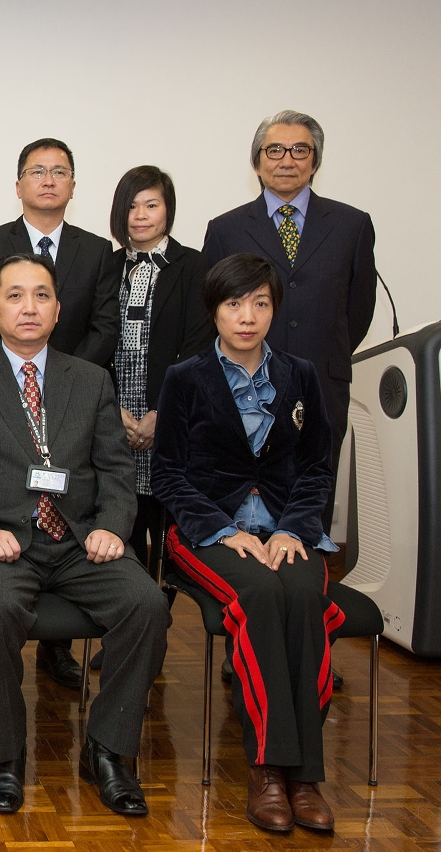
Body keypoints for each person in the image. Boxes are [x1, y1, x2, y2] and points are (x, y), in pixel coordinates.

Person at [0, 254, 169, 817]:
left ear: (59, 310)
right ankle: (5, 751)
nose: (28, 307)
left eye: (40, 296)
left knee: (147, 604)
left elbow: (115, 470)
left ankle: (108, 749)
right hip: (1, 542)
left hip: (81, 540)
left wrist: (111, 526)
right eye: (14, 296)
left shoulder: (91, 380)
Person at [152, 253, 340, 833]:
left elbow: (317, 470)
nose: (247, 316)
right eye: (234, 304)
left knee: (305, 594)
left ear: (274, 308)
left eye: (260, 302)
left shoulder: (299, 374)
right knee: (259, 592)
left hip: (287, 528)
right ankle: (268, 767)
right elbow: (168, 476)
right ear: (215, 311)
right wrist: (226, 530)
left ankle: (305, 775)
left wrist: (290, 530)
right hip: (206, 532)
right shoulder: (186, 378)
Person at [202, 109, 373, 687]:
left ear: (316, 161)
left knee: (309, 504)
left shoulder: (351, 224)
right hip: (245, 384)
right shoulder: (226, 226)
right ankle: (245, 643)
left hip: (320, 386)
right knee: (243, 498)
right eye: (275, 151)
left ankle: (309, 647)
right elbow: (219, 304)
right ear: (256, 162)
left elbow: (359, 308)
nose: (287, 160)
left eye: (300, 150)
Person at [0, 138, 119, 690]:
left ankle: (61, 657)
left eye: (60, 172)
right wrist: (11, 372)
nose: (49, 180)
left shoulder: (98, 250)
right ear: (19, 183)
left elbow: (105, 325)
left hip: (75, 395)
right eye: (37, 171)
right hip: (1, 392)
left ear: (74, 185)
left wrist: (67, 377)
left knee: (133, 592)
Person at [105, 166, 213, 577]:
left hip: (169, 420)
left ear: (168, 210)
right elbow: (95, 341)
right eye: (131, 206)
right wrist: (113, 410)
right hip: (114, 418)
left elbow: (198, 346)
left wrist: (160, 413)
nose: (141, 215)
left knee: (166, 532)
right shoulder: (107, 265)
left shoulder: (194, 266)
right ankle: (125, 612)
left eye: (152, 204)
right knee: (119, 527)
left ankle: (159, 613)